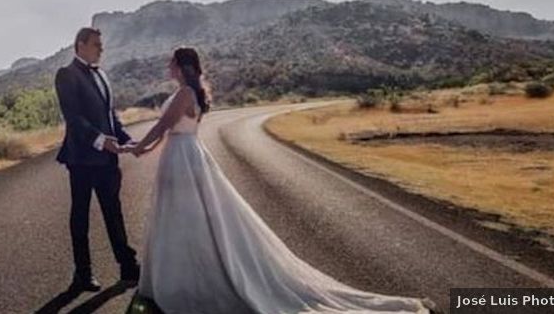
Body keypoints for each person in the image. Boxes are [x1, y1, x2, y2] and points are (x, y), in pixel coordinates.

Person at [128, 46, 436, 314]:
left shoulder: (184, 93)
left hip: (183, 158)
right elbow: (164, 132)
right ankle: (182, 278)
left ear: (182, 66)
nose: (168, 67)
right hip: (183, 153)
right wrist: (138, 148)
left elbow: (162, 127)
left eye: (171, 63)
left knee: (187, 219)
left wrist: (138, 147)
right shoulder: (187, 92)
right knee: (186, 219)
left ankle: (189, 283)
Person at [54, 27, 140, 292]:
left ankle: (128, 266)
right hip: (81, 159)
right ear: (80, 45)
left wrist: (126, 140)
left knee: (113, 211)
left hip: (107, 161)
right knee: (80, 216)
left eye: (101, 45)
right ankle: (83, 274)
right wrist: (103, 141)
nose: (101, 49)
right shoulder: (66, 75)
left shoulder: (102, 74)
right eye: (96, 45)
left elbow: (110, 116)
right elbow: (74, 118)